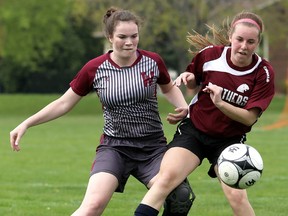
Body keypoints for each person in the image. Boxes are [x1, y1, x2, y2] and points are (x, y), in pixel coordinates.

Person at [9, 7, 195, 216]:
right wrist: (26, 123)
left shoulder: (152, 61)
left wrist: (184, 108)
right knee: (92, 207)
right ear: (109, 37)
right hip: (114, 148)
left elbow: (168, 87)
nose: (129, 42)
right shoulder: (94, 68)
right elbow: (63, 103)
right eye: (122, 37)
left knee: (179, 195)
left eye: (134, 36)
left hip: (152, 148)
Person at [134, 11, 275, 216]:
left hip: (229, 142)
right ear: (230, 37)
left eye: (251, 42)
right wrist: (189, 78)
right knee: (165, 181)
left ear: (258, 42)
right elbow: (195, 82)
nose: (244, 46)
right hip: (195, 132)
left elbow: (249, 117)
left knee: (237, 197)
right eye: (240, 39)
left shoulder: (263, 72)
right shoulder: (210, 55)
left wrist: (220, 103)